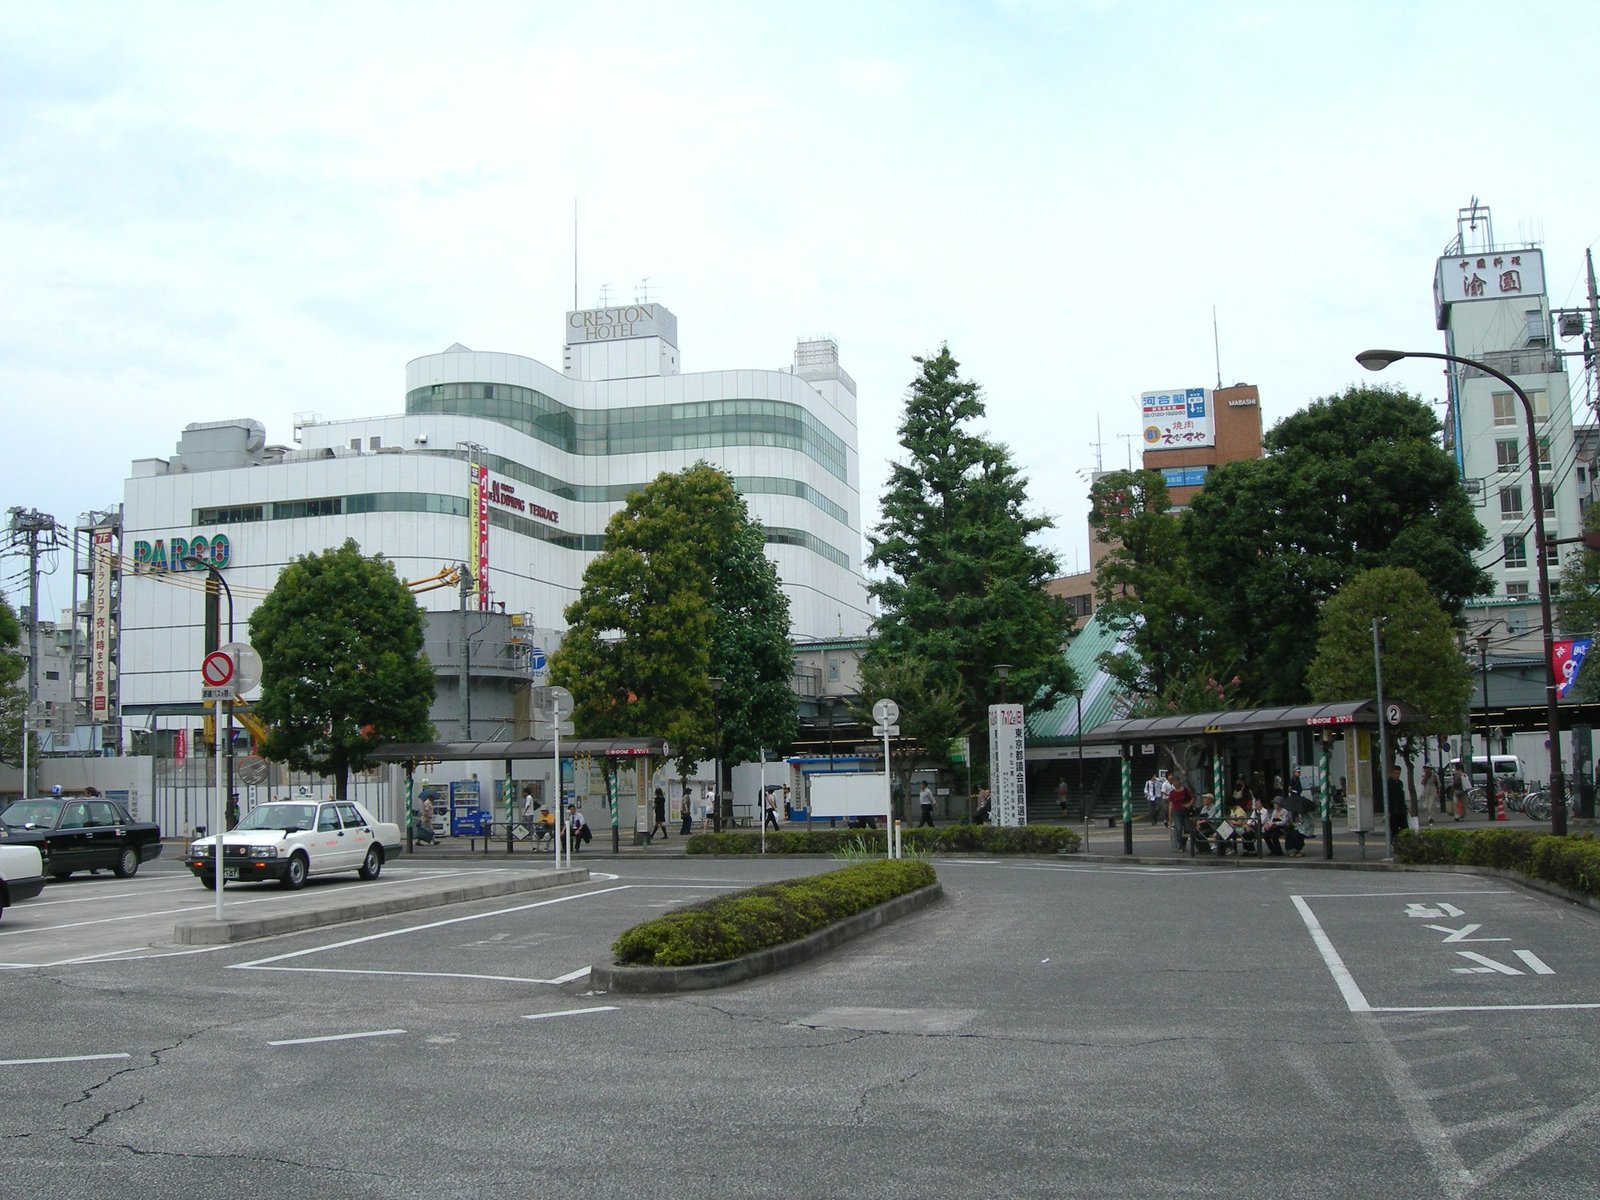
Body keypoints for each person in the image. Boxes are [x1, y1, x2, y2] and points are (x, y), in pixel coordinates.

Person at [1167, 775, 1192, 851]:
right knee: (1178, 828)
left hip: (1185, 811)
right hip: (1176, 811)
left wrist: (1189, 804)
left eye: (1175, 782)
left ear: (1179, 782)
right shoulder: (1172, 793)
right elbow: (1170, 804)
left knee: (1187, 828)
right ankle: (1180, 846)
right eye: (1173, 782)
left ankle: (1184, 843)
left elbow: (1192, 798)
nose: (1174, 784)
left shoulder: (1185, 791)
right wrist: (1170, 814)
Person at [1386, 764, 1408, 843]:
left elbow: (1402, 797)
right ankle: (1395, 842)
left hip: (1401, 810)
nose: (1397, 775)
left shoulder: (1400, 783)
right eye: (1395, 773)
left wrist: (1405, 808)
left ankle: (1402, 843)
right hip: (1393, 811)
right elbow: (1388, 798)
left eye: (1398, 773)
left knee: (1405, 829)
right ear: (1391, 773)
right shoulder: (1388, 784)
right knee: (1394, 830)